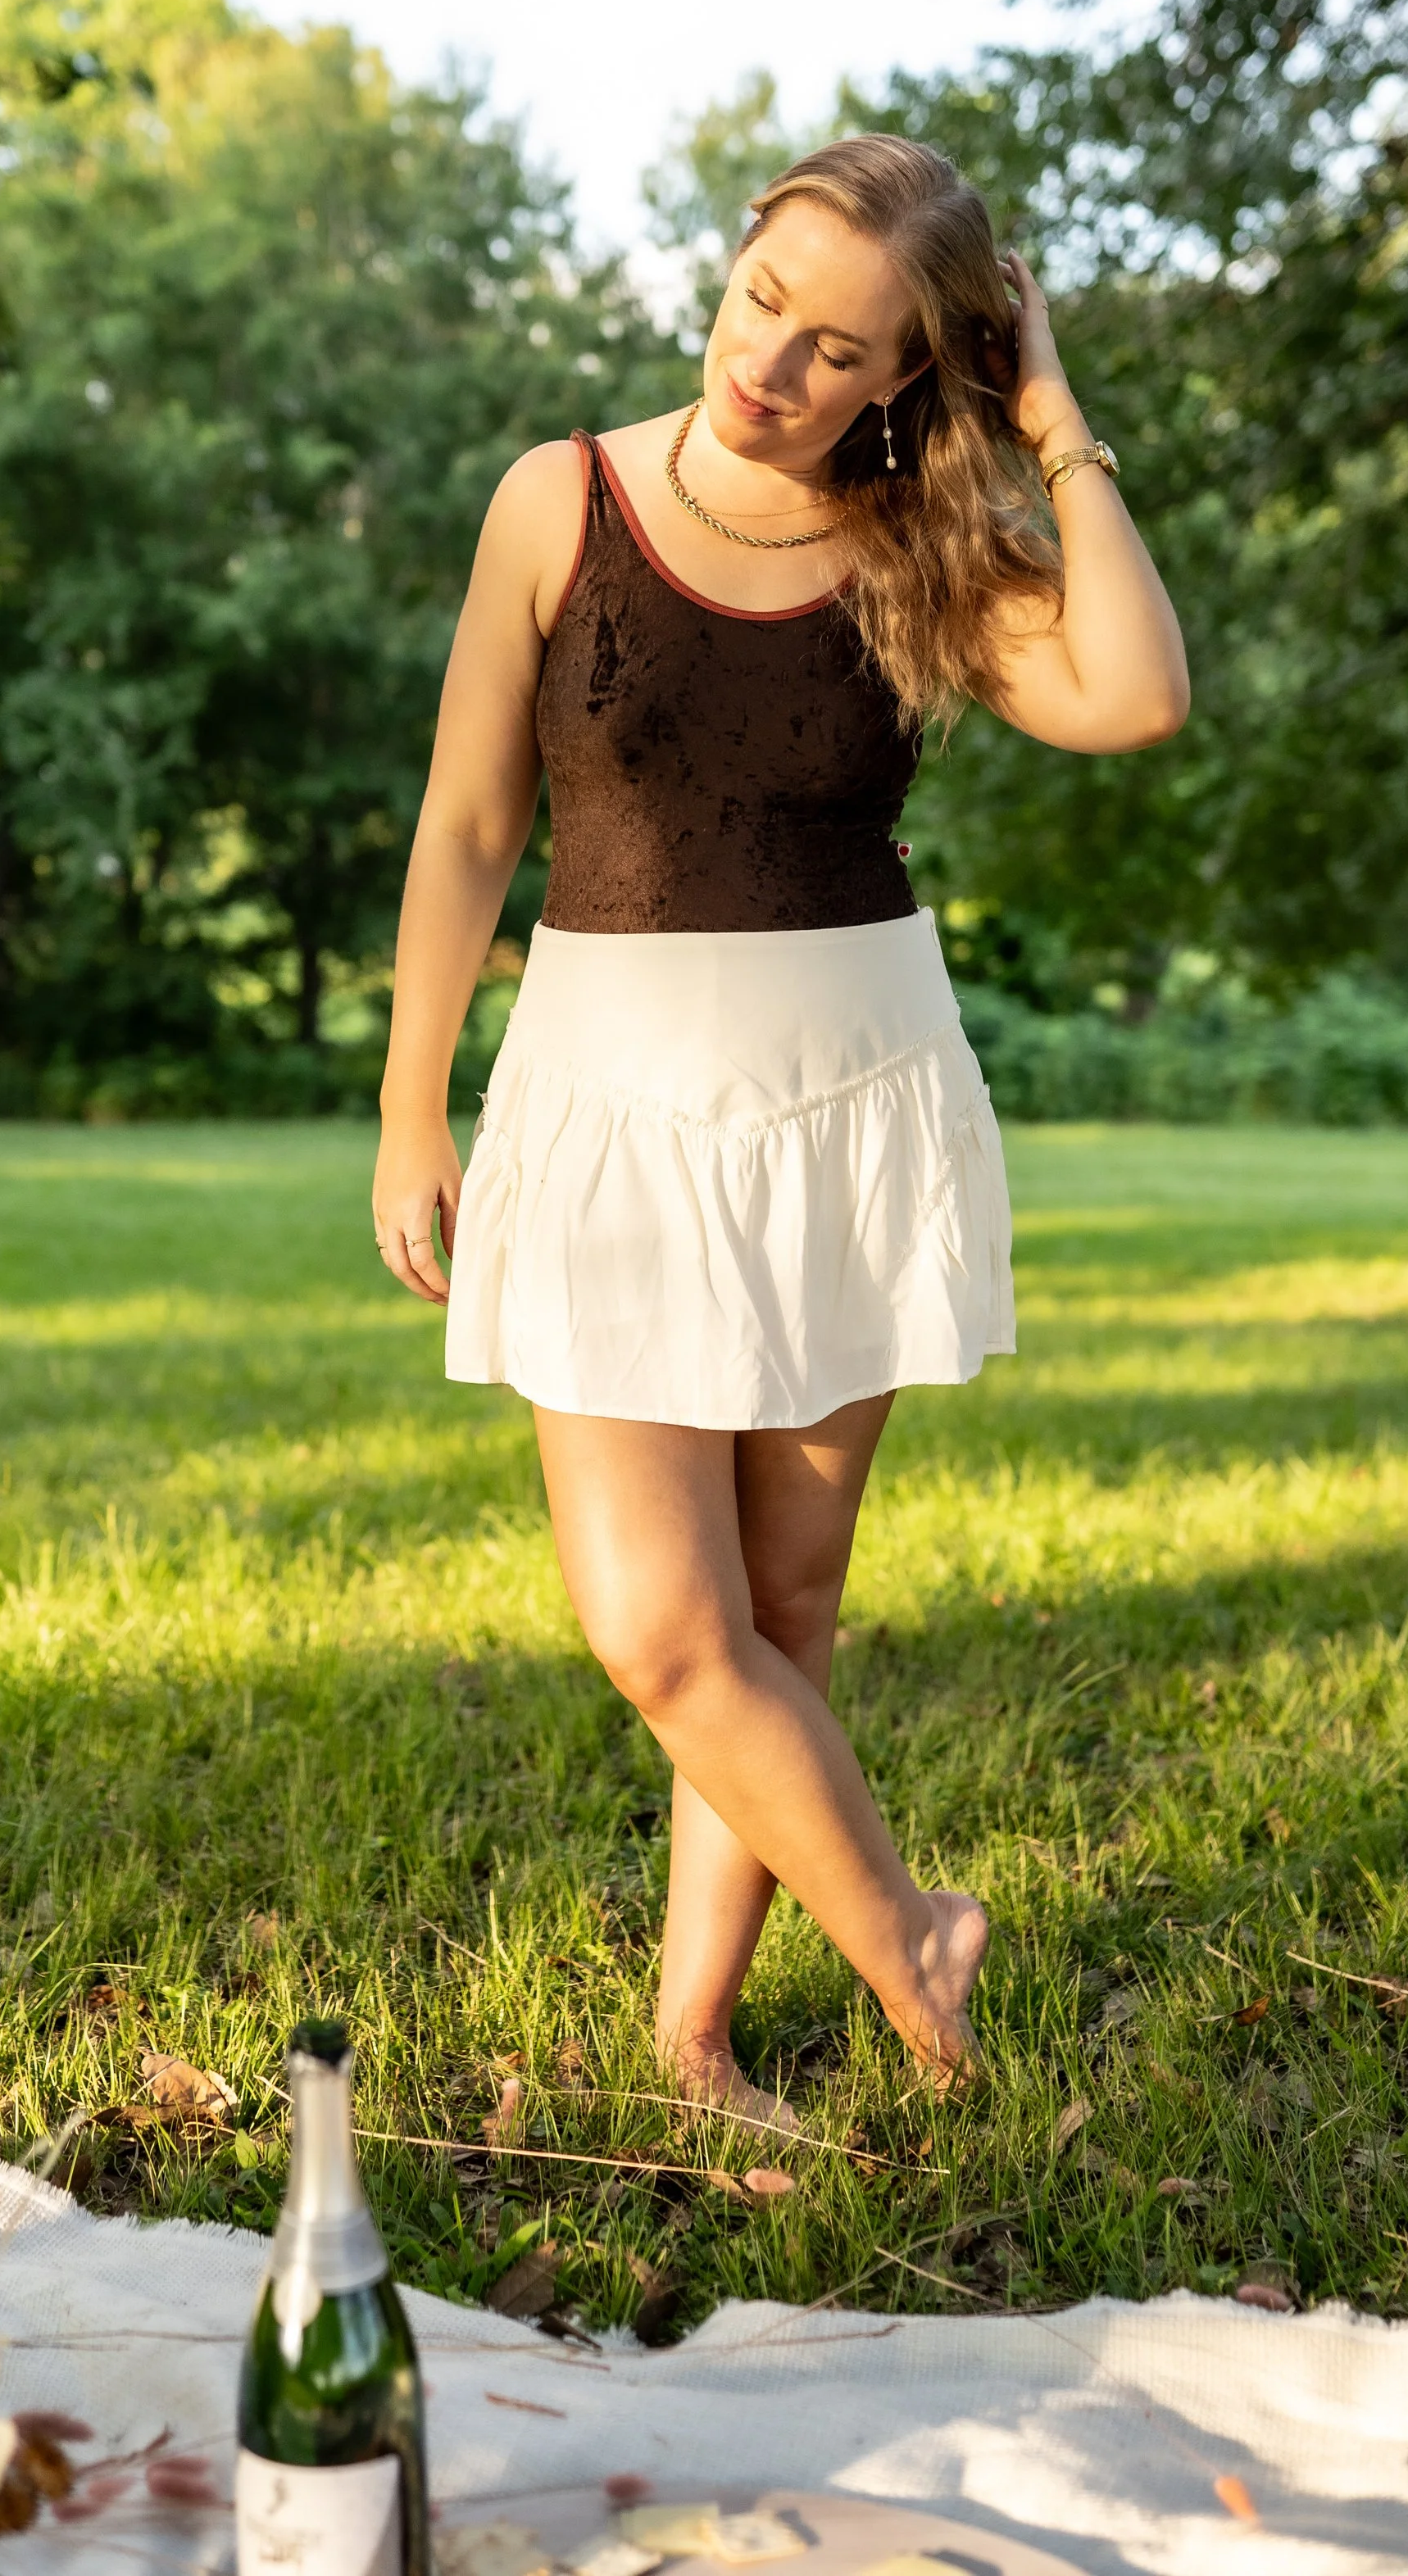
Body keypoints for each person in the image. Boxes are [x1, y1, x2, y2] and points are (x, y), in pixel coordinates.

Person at [371, 135, 1188, 2111]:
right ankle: (908, 1933)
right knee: (661, 1627)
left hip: (851, 1094)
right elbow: (473, 816)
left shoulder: (919, 553)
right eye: (765, 308)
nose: (773, 371)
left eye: (841, 353)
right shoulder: (556, 500)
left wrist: (1052, 415)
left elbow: (1133, 693)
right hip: (604, 1104)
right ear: (731, 263)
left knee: (782, 1611)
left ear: (912, 374)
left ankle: (696, 2031)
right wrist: (410, 1104)